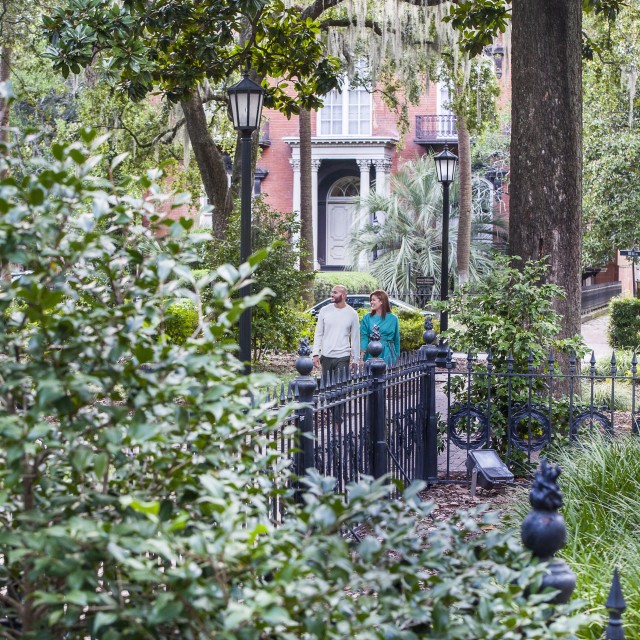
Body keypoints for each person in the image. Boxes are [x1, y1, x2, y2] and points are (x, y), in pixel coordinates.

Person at [312, 285, 360, 381]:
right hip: (326, 356)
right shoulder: (324, 311)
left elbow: (355, 338)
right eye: (332, 292)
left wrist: (356, 360)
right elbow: (318, 333)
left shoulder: (352, 314)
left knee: (340, 387)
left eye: (335, 292)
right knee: (326, 387)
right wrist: (315, 353)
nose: (331, 295)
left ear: (343, 295)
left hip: (343, 355)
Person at [360, 289, 400, 367]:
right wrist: (361, 357)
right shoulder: (366, 318)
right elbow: (364, 337)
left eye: (374, 300)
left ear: (381, 302)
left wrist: (397, 357)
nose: (371, 302)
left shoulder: (393, 318)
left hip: (388, 352)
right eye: (371, 300)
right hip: (372, 351)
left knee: (388, 376)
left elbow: (396, 339)